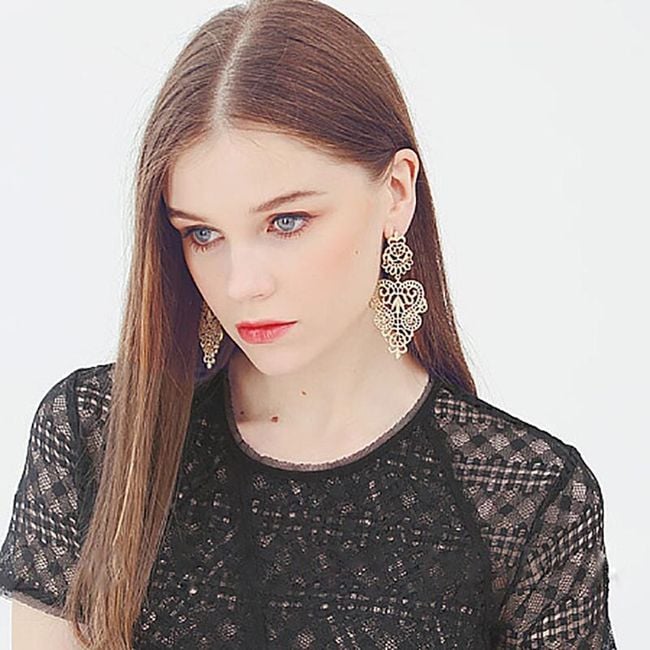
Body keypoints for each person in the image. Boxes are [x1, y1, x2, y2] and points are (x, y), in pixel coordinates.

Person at [0, 0, 616, 648]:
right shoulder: (101, 435)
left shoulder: (528, 501)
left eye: (286, 222)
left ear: (396, 193)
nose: (241, 283)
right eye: (203, 233)